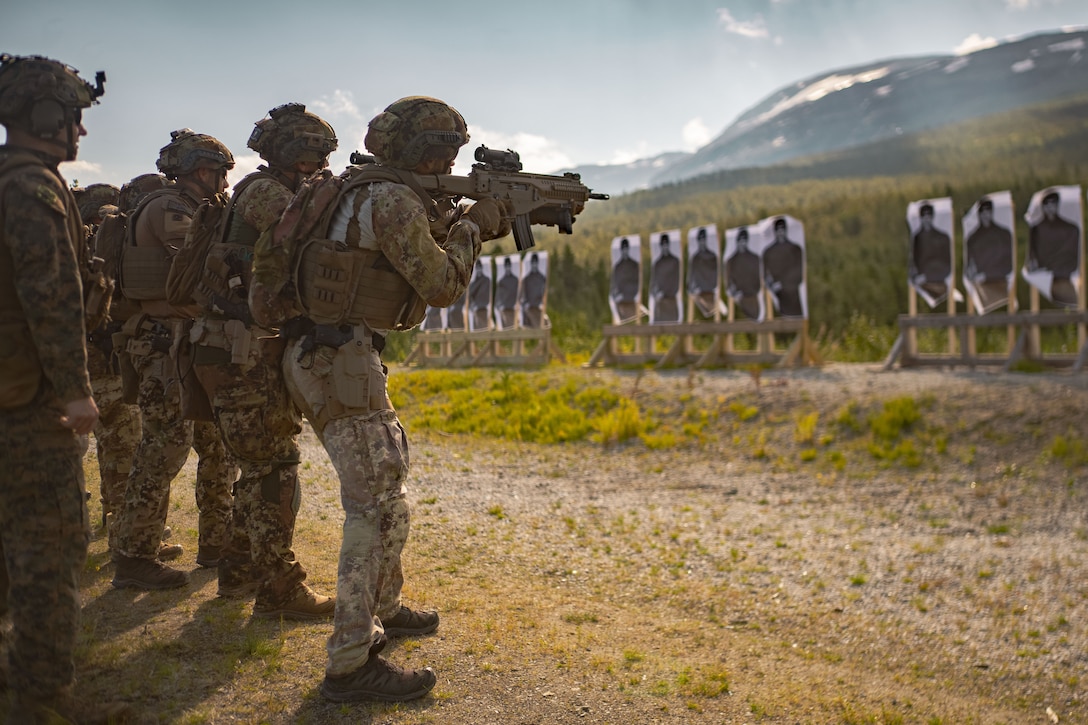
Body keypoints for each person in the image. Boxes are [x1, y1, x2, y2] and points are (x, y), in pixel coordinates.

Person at [250, 95, 510, 702]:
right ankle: (350, 662)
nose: (451, 157)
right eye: (445, 147)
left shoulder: (363, 189)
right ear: (425, 150)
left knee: (386, 487)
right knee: (371, 504)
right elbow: (442, 285)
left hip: (334, 352)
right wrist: (475, 226)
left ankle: (385, 609)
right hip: (337, 357)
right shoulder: (389, 198)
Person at [0, 52, 135, 723]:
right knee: (50, 549)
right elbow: (50, 298)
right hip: (29, 407)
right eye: (74, 118)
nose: (80, 133)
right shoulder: (33, 189)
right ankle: (42, 701)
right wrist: (78, 391)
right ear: (47, 115)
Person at [190, 104, 337, 617]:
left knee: (259, 464)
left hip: (240, 346)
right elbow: (320, 242)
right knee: (274, 467)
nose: (314, 163)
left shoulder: (271, 189)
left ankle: (239, 570)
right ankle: (279, 590)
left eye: (319, 155)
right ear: (283, 153)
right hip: (239, 350)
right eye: (307, 153)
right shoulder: (270, 194)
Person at [111, 129, 237, 590]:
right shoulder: (170, 208)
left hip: (188, 340)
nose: (224, 181)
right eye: (221, 172)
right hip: (164, 342)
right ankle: (133, 556)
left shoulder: (191, 207)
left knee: (217, 444)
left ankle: (217, 543)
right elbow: (199, 269)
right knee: (163, 447)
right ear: (202, 171)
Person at [73, 182, 151, 556]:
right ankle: (119, 527)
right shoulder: (115, 244)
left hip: (76, 366)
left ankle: (86, 524)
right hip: (108, 365)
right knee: (122, 448)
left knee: (82, 450)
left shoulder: (70, 246)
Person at [1027, 191, 1080, 306]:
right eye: (1047, 204)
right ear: (1043, 207)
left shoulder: (1070, 229)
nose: (1050, 208)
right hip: (1042, 278)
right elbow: (1032, 257)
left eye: (1053, 204)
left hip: (1063, 276)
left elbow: (1071, 256)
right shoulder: (1036, 229)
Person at [965, 198, 1013, 311]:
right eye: (983, 212)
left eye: (988, 211)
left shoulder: (1003, 234)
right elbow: (969, 264)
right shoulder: (973, 238)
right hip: (981, 286)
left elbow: (1008, 263)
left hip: (1000, 283)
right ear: (979, 214)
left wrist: (987, 274)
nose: (986, 215)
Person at [762, 217, 805, 317]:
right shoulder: (768, 252)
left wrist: (782, 284)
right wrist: (772, 285)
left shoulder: (795, 249)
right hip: (776, 295)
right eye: (778, 230)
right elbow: (764, 273)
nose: (780, 232)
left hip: (792, 294)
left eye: (782, 229)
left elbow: (798, 272)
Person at [910, 203, 952, 303]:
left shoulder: (942, 237)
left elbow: (947, 265)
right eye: (924, 215)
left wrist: (927, 276)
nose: (926, 219)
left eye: (929, 215)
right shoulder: (915, 238)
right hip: (920, 287)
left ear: (932, 217)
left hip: (939, 284)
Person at [726, 227, 762, 320]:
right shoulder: (731, 261)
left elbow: (757, 279)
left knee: (755, 319)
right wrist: (735, 293)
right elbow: (729, 281)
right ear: (737, 242)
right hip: (738, 297)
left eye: (744, 240)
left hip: (752, 296)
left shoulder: (754, 259)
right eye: (740, 241)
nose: (742, 243)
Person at [688, 227, 719, 318]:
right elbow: (692, 275)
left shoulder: (712, 256)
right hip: (698, 292)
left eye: (703, 239)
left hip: (710, 290)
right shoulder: (695, 258)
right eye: (700, 239)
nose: (702, 242)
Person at [650, 233, 680, 323]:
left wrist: (667, 293)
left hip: (671, 300)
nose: (665, 247)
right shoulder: (657, 263)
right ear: (661, 246)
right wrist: (656, 294)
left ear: (669, 245)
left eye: (666, 244)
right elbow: (654, 282)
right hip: (659, 302)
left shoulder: (675, 261)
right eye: (663, 244)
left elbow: (677, 280)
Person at [610, 236, 640, 322]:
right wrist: (615, 295)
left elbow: (636, 283)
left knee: (632, 322)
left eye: (626, 248)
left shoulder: (634, 265)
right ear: (621, 250)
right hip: (619, 304)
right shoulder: (618, 266)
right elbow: (615, 284)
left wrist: (624, 296)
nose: (625, 251)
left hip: (631, 302)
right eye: (623, 248)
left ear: (628, 249)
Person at [520, 252, 546, 328]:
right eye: (533, 263)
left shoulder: (542, 278)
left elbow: (544, 291)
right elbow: (524, 294)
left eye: (536, 263)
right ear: (531, 264)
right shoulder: (527, 279)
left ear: (537, 263)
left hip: (539, 307)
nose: (534, 265)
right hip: (529, 308)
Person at [495, 256, 519, 328]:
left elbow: (518, 293)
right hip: (505, 310)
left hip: (514, 309)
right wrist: (500, 306)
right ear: (505, 267)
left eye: (509, 266)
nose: (508, 268)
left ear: (510, 266)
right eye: (506, 266)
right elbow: (498, 296)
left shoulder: (515, 280)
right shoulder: (501, 281)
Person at [469, 258, 491, 330]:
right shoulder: (473, 283)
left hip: (484, 308)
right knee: (477, 330)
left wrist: (480, 304)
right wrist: (473, 305)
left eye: (480, 268)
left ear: (482, 268)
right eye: (477, 268)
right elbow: (470, 296)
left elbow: (487, 294)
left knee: (485, 329)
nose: (479, 270)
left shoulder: (486, 280)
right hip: (475, 310)